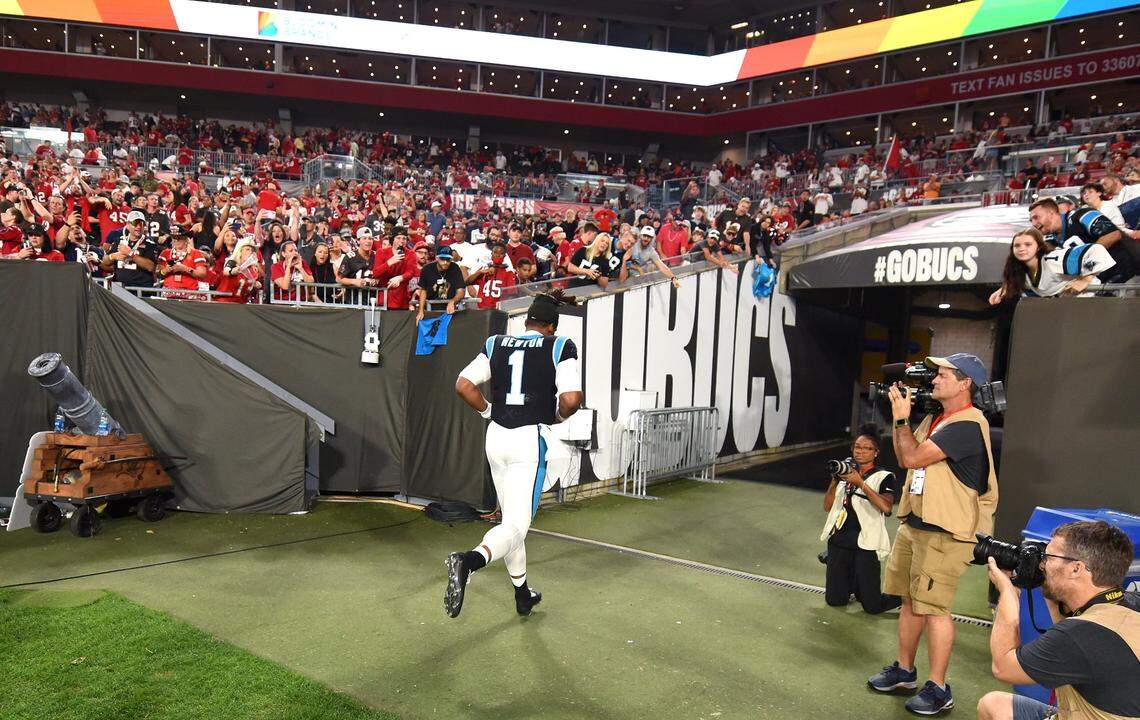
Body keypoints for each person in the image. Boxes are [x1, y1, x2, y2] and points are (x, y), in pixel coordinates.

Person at [869, 353, 999, 716]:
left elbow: (911, 459)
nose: (934, 380)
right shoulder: (936, 419)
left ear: (964, 383)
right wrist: (903, 422)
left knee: (936, 609)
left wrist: (899, 417)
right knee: (910, 601)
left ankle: (939, 688)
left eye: (942, 375)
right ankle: (904, 671)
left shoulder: (968, 425)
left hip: (945, 533)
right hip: (917, 524)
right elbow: (903, 452)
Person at [447, 290, 584, 618]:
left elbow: (464, 385)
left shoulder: (497, 342)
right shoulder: (560, 344)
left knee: (510, 523)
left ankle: (522, 594)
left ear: (526, 321)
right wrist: (557, 417)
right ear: (551, 327)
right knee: (516, 528)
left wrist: (487, 411)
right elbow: (571, 400)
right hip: (527, 439)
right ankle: (469, 561)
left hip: (496, 436)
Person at [977, 520, 1139, 720]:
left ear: (1076, 569)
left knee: (992, 703)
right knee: (994, 705)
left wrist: (1008, 592)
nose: (1042, 564)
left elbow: (1003, 667)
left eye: (1048, 557)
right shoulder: (1128, 603)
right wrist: (1046, 585)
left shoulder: (1079, 636)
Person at [820, 425, 902, 615]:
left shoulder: (884, 476)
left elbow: (886, 508)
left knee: (872, 606)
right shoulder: (845, 472)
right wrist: (835, 480)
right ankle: (849, 580)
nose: (860, 451)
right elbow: (827, 507)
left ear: (876, 453)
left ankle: (904, 597)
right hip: (840, 539)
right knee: (834, 600)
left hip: (865, 542)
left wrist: (860, 483)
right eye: (857, 447)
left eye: (867, 448)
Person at [988, 228, 1115, 304]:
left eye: (1028, 244)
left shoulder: (1053, 260)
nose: (1022, 249)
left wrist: (1085, 279)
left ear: (1038, 247)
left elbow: (1096, 250)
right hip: (1069, 309)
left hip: (1096, 301)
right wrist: (1003, 290)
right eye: (1017, 245)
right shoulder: (1021, 272)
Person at [415, 244, 465, 320]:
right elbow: (423, 291)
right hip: (431, 307)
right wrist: (421, 310)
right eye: (442, 259)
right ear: (436, 258)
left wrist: (452, 301)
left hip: (449, 309)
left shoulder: (455, 268)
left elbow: (461, 291)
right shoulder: (427, 269)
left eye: (448, 259)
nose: (445, 262)